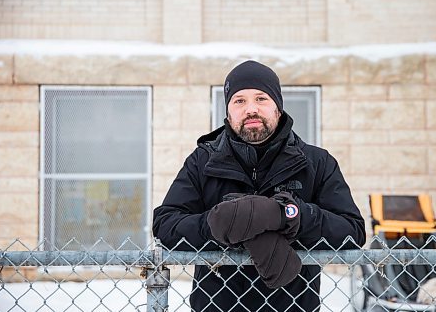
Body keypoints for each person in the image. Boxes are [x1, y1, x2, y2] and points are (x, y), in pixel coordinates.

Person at [153, 60, 366, 311]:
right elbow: (165, 223)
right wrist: (218, 225)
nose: (250, 109)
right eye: (239, 101)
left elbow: (352, 231)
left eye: (261, 99)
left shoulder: (317, 162)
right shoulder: (203, 161)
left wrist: (289, 216)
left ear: (278, 107)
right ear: (228, 111)